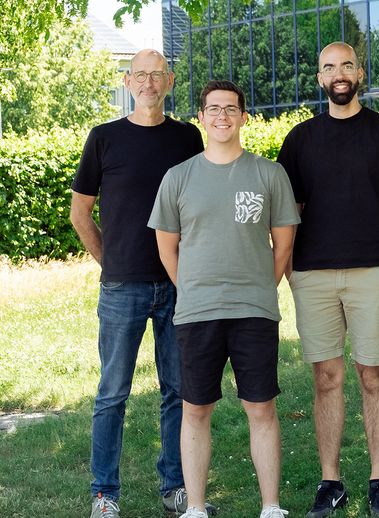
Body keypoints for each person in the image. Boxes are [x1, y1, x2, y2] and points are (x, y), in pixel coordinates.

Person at [276, 41, 379, 518]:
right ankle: (331, 482)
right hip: (312, 276)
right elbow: (288, 213)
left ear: (359, 73)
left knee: (372, 375)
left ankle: (378, 481)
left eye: (346, 65)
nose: (338, 74)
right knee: (326, 377)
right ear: (319, 78)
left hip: (370, 274)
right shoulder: (299, 139)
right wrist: (287, 271)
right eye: (328, 67)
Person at [148, 80, 300, 518]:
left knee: (261, 406)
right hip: (196, 312)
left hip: (254, 310)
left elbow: (283, 244)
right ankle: (195, 507)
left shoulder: (269, 174)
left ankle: (271, 506)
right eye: (213, 109)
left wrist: (257, 287)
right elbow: (166, 247)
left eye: (230, 109)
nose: (221, 116)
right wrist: (192, 287)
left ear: (243, 117)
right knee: (195, 408)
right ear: (201, 117)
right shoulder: (178, 177)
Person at [70, 48, 211, 518]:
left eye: (158, 75)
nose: (149, 82)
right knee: (113, 392)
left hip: (178, 284)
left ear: (169, 81)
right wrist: (110, 262)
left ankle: (174, 485)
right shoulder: (104, 138)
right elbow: (80, 212)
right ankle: (104, 493)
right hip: (122, 288)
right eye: (140, 75)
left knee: (177, 390)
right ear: (128, 82)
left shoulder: (188, 138)